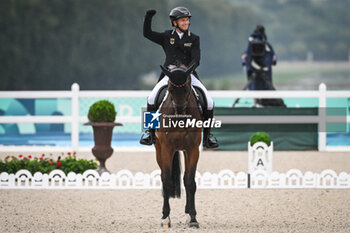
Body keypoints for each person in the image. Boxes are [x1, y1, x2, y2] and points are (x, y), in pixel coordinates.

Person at [140, 7, 218, 148]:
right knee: (151, 98)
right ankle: (150, 133)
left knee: (209, 101)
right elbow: (147, 34)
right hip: (169, 74)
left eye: (187, 20)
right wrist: (148, 17)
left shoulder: (194, 38)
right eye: (183, 20)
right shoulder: (166, 36)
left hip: (188, 74)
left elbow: (196, 59)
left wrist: (186, 71)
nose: (186, 22)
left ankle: (208, 136)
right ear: (174, 22)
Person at [241, 25, 277, 106]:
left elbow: (245, 57)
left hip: (253, 69)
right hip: (264, 70)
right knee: (266, 86)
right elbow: (273, 59)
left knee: (254, 86)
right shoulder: (266, 45)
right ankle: (265, 103)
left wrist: (247, 62)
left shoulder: (250, 44)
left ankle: (255, 103)